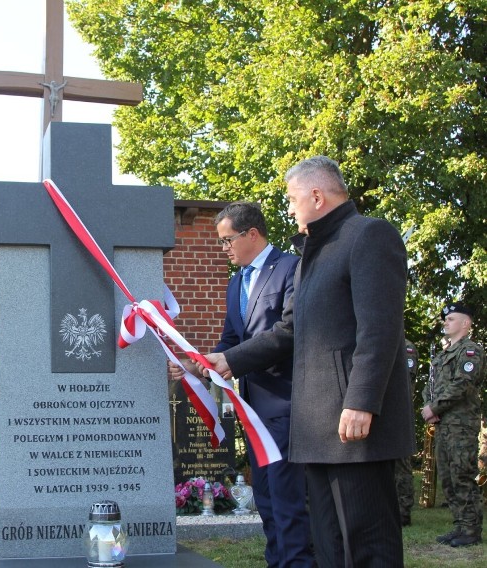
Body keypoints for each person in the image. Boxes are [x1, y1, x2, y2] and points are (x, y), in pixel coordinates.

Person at [204, 156, 415, 567]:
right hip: (315, 427)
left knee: (367, 544)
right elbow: (290, 332)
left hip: (353, 426)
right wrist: (225, 359)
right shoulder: (312, 257)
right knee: (328, 544)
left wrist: (362, 401)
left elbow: (379, 329)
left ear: (316, 196)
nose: (288, 208)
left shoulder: (368, 235)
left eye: (292, 198)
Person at [169, 201, 313, 567]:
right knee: (264, 499)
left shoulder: (291, 269)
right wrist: (194, 366)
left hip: (285, 404)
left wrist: (230, 361)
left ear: (252, 234)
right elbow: (230, 341)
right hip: (253, 408)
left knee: (287, 500)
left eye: (228, 240)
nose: (224, 248)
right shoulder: (237, 282)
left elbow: (288, 333)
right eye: (220, 242)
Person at [421, 302, 484, 547]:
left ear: (465, 324)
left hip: (461, 424)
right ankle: (459, 525)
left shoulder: (471, 351)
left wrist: (434, 407)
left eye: (451, 319)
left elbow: (463, 383)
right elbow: (430, 385)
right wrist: (429, 407)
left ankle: (471, 529)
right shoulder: (443, 355)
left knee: (462, 474)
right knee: (447, 476)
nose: (445, 322)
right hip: (443, 424)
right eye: (445, 319)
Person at [395, 339, 419, 526]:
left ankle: (403, 511)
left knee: (402, 466)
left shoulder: (406, 346)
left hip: (399, 413)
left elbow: (405, 380)